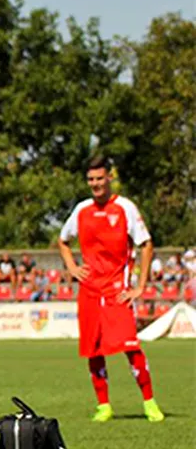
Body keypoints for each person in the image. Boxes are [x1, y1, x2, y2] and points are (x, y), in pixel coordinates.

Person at [57, 156, 164, 423]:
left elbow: (146, 244)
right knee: (93, 350)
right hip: (90, 290)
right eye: (90, 179)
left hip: (118, 289)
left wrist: (140, 285)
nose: (95, 184)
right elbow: (63, 240)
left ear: (109, 178)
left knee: (131, 346)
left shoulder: (125, 208)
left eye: (99, 178)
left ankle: (149, 401)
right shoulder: (82, 210)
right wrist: (72, 267)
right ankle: (103, 405)